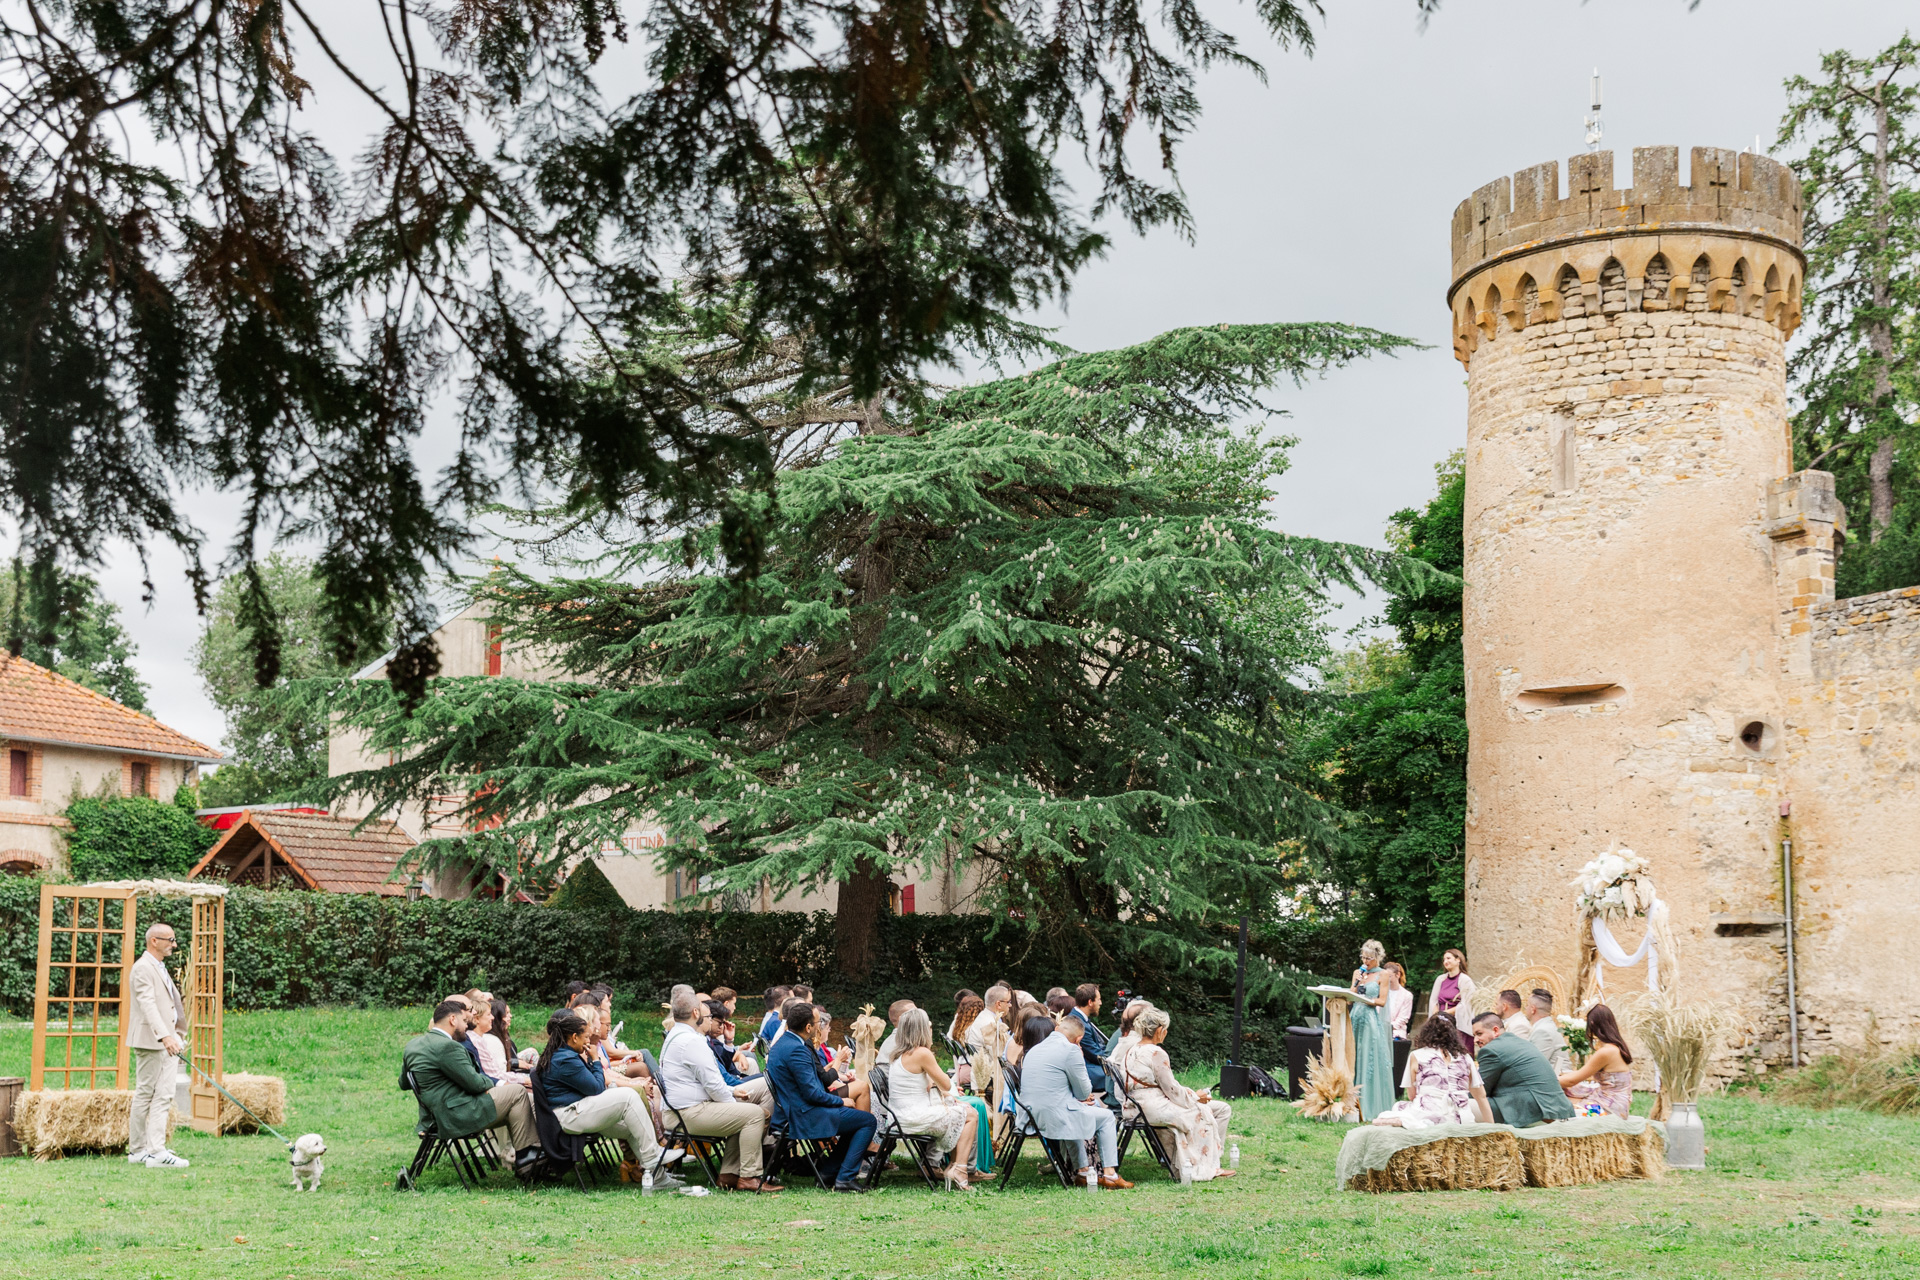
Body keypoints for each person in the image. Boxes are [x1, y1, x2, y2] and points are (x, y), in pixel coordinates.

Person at [534, 1007, 681, 1182]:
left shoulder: (565, 1054)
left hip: (577, 1110)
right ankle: (652, 1155)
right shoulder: (565, 1059)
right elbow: (596, 1087)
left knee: (631, 1128)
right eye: (586, 1037)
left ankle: (658, 1178)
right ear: (574, 1037)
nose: (589, 1042)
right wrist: (595, 1059)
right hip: (568, 1116)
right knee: (628, 1096)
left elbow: (594, 1085)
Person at [658, 991, 782, 1192]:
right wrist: (734, 1099)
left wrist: (733, 1092)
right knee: (754, 1114)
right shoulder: (692, 1041)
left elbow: (710, 1083)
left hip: (685, 1109)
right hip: (687, 1113)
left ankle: (729, 1175)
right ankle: (749, 1176)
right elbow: (714, 1086)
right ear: (696, 1013)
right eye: (708, 1017)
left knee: (751, 1105)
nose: (710, 1021)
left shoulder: (678, 1035)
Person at [405, 998, 540, 1166]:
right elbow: (475, 1083)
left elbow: (404, 1082)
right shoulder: (448, 1047)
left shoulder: (413, 1045)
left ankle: (525, 1157)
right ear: (452, 1020)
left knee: (515, 1100)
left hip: (436, 1112)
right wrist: (492, 1082)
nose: (466, 1026)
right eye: (463, 1020)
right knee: (517, 1092)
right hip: (457, 1114)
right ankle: (528, 1156)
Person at [767, 1000, 877, 1193]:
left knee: (857, 1121)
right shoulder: (796, 1050)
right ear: (808, 1027)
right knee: (867, 1121)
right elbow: (812, 1094)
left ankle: (829, 1172)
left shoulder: (787, 1043)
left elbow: (815, 1084)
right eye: (818, 1023)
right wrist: (840, 1100)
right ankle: (845, 1178)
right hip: (803, 1115)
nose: (819, 1027)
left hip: (800, 1109)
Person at [1118, 1006, 1233, 1180]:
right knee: (1200, 1112)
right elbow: (1171, 1090)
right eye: (1165, 1030)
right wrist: (1195, 1097)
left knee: (1199, 1109)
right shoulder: (1156, 1052)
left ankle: (1192, 1162)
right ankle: (1199, 1168)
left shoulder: (1132, 1050)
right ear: (1159, 1031)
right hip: (1150, 1107)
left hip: (1134, 1106)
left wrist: (1191, 1095)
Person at [1019, 1012, 1131, 1188]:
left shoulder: (1035, 1049)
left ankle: (1083, 1171)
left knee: (1075, 1110)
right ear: (1079, 1039)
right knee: (1107, 1117)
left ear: (1056, 1029)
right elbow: (1083, 1092)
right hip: (1053, 1116)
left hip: (1030, 1115)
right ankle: (1110, 1174)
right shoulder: (1070, 1050)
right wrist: (1078, 1054)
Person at [887, 1009, 985, 1189]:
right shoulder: (922, 1053)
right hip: (912, 1117)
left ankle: (956, 1167)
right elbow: (947, 1084)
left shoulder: (899, 1054)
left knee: (962, 1110)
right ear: (922, 1029)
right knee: (971, 1115)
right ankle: (960, 1169)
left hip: (899, 1116)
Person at [127, 922, 190, 1169]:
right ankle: (153, 1152)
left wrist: (176, 1034)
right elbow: (148, 1004)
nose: (174, 944)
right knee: (153, 1094)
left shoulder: (158, 966)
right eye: (170, 940)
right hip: (154, 1041)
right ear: (154, 940)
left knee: (159, 1094)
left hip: (167, 1040)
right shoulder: (143, 968)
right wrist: (165, 1036)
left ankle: (144, 1150)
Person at [1372, 1012, 1492, 1128]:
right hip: (1462, 1118)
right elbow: (1481, 1096)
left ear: (1426, 1032)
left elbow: (1411, 1095)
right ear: (1454, 1034)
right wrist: (1492, 1127)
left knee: (1398, 1107)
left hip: (1429, 1116)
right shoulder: (1465, 1058)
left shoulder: (1417, 1056)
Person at [1470, 1013, 1576, 1126]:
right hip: (1560, 1110)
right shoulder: (1522, 1043)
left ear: (1495, 1031)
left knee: (1462, 1106)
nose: (1475, 1040)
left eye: (1479, 1034)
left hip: (1532, 1112)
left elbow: (1479, 1091)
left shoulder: (1491, 1050)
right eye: (1474, 1035)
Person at [1558, 1003, 1634, 1117]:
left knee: (1561, 1105)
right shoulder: (1615, 1047)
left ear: (1592, 1024)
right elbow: (1578, 1075)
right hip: (1618, 1103)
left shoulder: (1605, 1052)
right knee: (1569, 1094)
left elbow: (1572, 1080)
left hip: (1610, 1107)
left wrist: (1546, 1081)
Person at [1348, 939, 1393, 1120]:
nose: (1366, 961)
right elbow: (1350, 998)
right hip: (1355, 1017)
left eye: (1369, 958)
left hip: (1370, 1019)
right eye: (1363, 957)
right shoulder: (1357, 972)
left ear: (1377, 958)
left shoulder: (1383, 975)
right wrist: (1357, 982)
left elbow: (1382, 1001)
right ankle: (1350, 1104)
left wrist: (1368, 1000)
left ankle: (1369, 1105)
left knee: (1368, 1057)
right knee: (1353, 1057)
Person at [1428, 949, 1477, 1055]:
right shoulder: (1440, 979)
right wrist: (1437, 1015)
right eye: (1444, 959)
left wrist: (1446, 1013)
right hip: (1441, 1023)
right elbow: (1434, 1001)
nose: (1446, 961)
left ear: (1458, 960)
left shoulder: (1465, 980)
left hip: (1457, 1023)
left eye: (1449, 958)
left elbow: (1466, 1004)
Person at [1065, 984, 1109, 1094]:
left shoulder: (1080, 1018)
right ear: (1090, 1002)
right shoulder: (1077, 1022)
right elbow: (1096, 1055)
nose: (1100, 1003)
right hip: (1087, 1070)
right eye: (1099, 999)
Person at [1525, 989, 1570, 1073]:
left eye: (1527, 1005)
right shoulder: (1546, 1026)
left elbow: (1534, 1065)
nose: (1525, 1008)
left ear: (1532, 1009)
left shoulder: (1543, 1031)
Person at [468, 998, 509, 1081]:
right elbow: (495, 1075)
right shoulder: (476, 1041)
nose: (492, 1017)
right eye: (489, 1014)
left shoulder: (478, 1038)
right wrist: (525, 1079)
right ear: (476, 1019)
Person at [967, 987, 1010, 1055]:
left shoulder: (983, 1016)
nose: (1010, 1005)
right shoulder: (991, 1025)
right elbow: (1000, 1056)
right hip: (988, 1064)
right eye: (1008, 1002)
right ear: (998, 1004)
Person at [876, 998, 915, 1067]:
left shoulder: (892, 1040)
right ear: (902, 1019)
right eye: (914, 1013)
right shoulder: (905, 1041)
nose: (920, 1016)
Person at [1384, 963, 1414, 1041]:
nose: (1387, 979)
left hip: (1396, 1033)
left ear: (1398, 975)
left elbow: (1403, 1018)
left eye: (1389, 976)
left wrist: (1388, 1027)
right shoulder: (1380, 992)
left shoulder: (1407, 995)